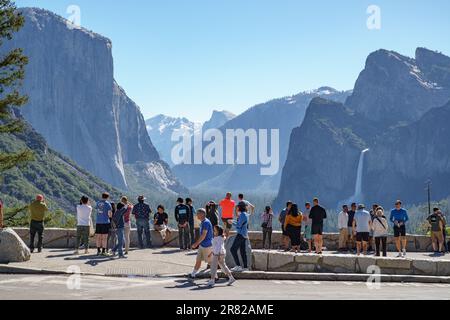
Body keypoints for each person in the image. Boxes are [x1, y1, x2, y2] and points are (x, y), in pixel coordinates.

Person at [191, 208, 214, 278]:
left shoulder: (206, 222)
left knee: (211, 262)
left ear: (202, 214)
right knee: (198, 260)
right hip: (202, 245)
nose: (196, 215)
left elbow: (204, 235)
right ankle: (193, 274)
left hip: (207, 245)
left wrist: (196, 244)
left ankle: (215, 277)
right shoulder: (203, 222)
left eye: (198, 214)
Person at [230, 202, 250, 272]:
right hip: (244, 234)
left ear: (240, 207)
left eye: (237, 207)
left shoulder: (242, 215)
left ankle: (238, 266)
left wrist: (232, 222)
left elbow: (238, 225)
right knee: (242, 251)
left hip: (240, 234)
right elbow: (241, 223)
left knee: (232, 249)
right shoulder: (246, 214)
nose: (237, 208)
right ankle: (245, 267)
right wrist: (234, 221)